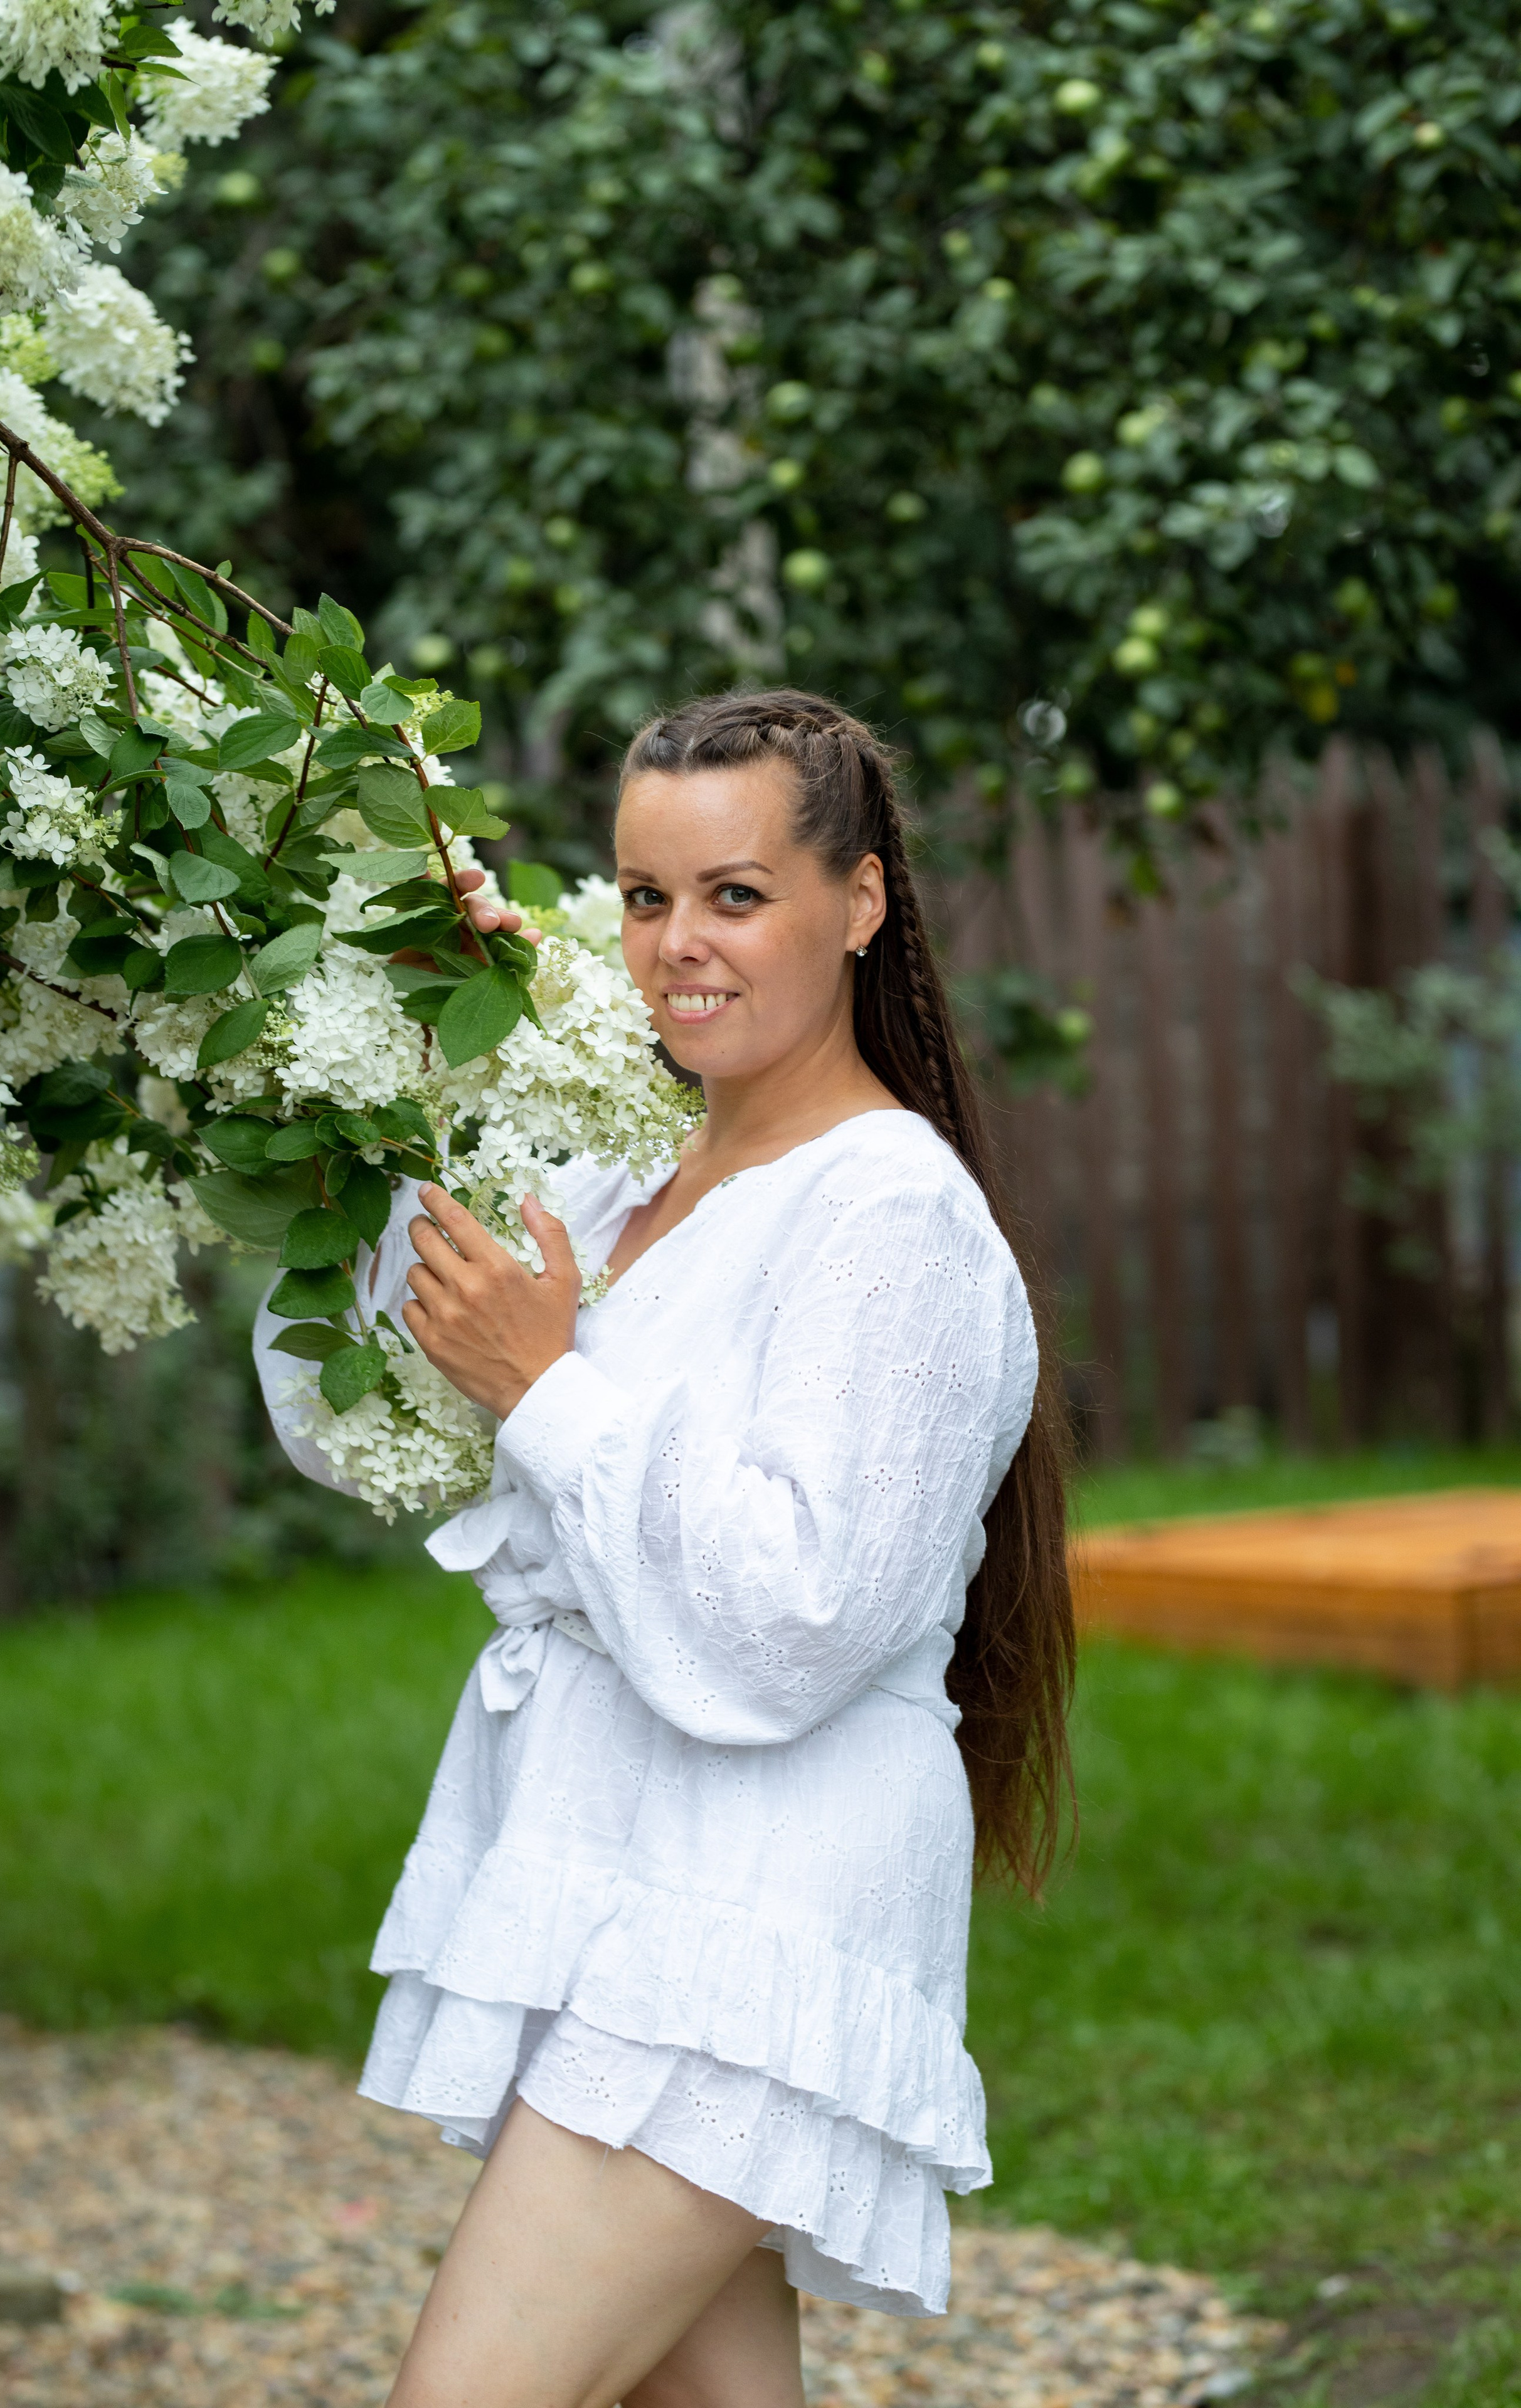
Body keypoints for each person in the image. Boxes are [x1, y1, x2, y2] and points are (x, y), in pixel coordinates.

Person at [255, 689, 1075, 2408]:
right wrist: (404, 1083)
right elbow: (358, 1421)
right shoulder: (630, 1184)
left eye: (736, 894)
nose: (678, 946)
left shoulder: (892, 1218)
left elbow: (795, 1614)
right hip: (621, 1871)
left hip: (754, 1910)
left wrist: (547, 1387)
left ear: (859, 903)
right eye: (644, 897)